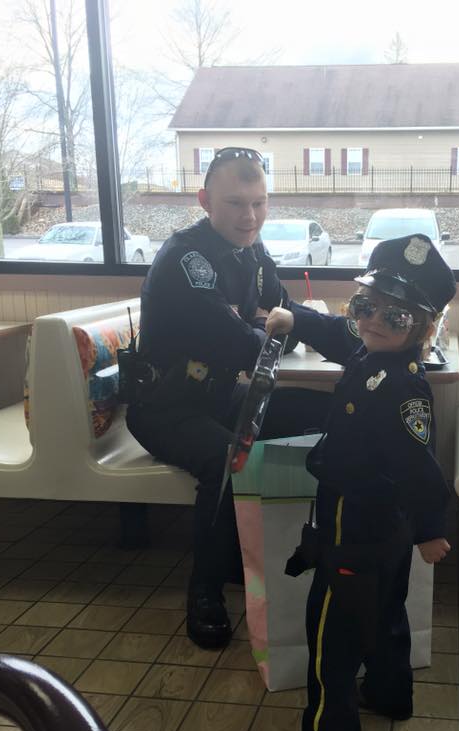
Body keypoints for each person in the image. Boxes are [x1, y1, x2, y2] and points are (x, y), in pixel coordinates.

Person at [263, 233, 455, 731]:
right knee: (388, 612)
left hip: (357, 526)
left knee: (333, 637)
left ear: (423, 327)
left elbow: (422, 465)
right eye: (365, 306)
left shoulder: (403, 388)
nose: (372, 322)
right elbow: (337, 331)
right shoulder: (372, 351)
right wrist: (292, 318)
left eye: (395, 317)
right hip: (383, 529)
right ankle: (392, 695)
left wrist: (432, 528)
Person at [126, 147, 328, 649]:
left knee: (325, 412)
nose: (250, 215)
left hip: (220, 394)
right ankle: (205, 589)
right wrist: (263, 327)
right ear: (204, 200)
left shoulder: (252, 252)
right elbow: (243, 341)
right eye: (236, 203)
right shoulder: (185, 260)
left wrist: (311, 327)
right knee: (228, 460)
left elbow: (284, 316)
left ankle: (274, 553)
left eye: (259, 203)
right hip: (164, 408)